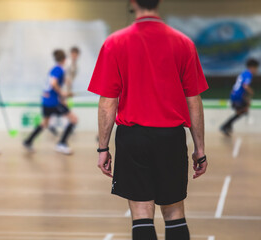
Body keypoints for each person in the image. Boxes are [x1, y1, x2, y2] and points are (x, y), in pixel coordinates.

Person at [88, 0, 209, 239]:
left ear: (132, 2)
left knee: (142, 213)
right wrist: (200, 149)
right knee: (174, 212)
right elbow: (193, 100)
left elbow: (107, 103)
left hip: (133, 139)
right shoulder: (184, 43)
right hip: (171, 137)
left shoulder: (115, 43)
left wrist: (103, 147)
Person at [23, 49, 78, 155]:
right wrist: (62, 94)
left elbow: (52, 84)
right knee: (73, 119)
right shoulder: (59, 69)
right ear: (65, 59)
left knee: (45, 122)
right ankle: (61, 144)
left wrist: (62, 95)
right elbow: (53, 83)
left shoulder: (53, 69)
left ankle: (28, 141)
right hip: (53, 102)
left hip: (46, 100)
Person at [220, 59, 259, 136]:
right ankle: (226, 126)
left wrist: (246, 98)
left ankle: (227, 125)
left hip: (236, 95)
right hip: (237, 96)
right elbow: (245, 86)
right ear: (252, 67)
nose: (256, 70)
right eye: (256, 68)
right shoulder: (248, 74)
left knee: (242, 110)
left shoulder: (244, 73)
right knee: (243, 110)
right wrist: (251, 92)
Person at [48, 46, 81, 136]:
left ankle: (57, 125)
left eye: (76, 54)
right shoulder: (66, 64)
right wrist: (63, 89)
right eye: (73, 54)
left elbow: (71, 78)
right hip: (62, 89)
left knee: (62, 108)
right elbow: (61, 77)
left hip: (66, 89)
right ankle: (65, 126)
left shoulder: (76, 65)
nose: (74, 56)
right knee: (63, 107)